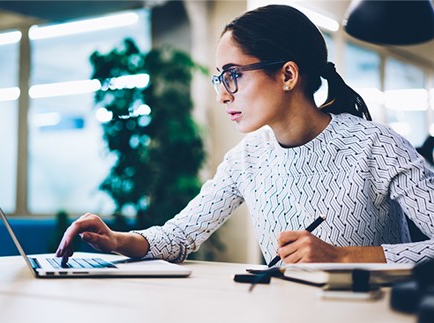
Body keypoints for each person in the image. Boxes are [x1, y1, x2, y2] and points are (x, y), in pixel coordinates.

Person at [56, 5, 434, 266]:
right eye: (219, 77)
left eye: (233, 75)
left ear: (287, 75)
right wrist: (117, 240)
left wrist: (344, 257)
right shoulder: (247, 158)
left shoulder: (378, 146)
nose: (222, 93)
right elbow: (179, 236)